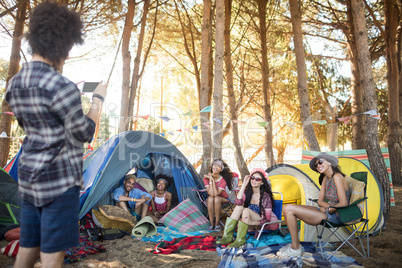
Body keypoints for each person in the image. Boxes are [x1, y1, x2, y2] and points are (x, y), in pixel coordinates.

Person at [5, 3, 108, 267]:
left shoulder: (15, 83)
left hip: (28, 178)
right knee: (52, 256)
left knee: (29, 246)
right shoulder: (62, 87)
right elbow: (84, 132)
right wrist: (98, 100)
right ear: (62, 44)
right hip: (59, 182)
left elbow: (26, 123)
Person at [277, 152, 351, 258]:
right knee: (286, 208)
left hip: (337, 215)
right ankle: (295, 245)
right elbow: (320, 201)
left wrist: (328, 209)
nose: (318, 166)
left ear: (329, 163)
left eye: (320, 162)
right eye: (316, 165)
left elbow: (343, 203)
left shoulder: (337, 177)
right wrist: (326, 208)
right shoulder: (326, 178)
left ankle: (295, 248)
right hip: (326, 211)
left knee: (289, 209)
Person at [217, 168, 278, 248]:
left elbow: (267, 219)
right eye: (252, 178)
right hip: (248, 220)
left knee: (246, 209)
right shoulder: (248, 192)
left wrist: (250, 222)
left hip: (264, 223)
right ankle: (227, 237)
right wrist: (244, 185)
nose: (254, 180)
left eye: (257, 179)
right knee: (239, 207)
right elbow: (237, 202)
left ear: (262, 182)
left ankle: (240, 240)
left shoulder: (265, 197)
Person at [203, 159, 234, 231]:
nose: (216, 167)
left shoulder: (223, 180)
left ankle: (217, 224)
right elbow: (210, 193)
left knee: (216, 198)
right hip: (212, 199)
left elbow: (216, 194)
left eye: (219, 166)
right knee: (210, 198)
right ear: (212, 166)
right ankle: (211, 224)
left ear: (221, 169)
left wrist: (212, 181)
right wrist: (210, 179)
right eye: (214, 165)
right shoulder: (206, 178)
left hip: (223, 200)